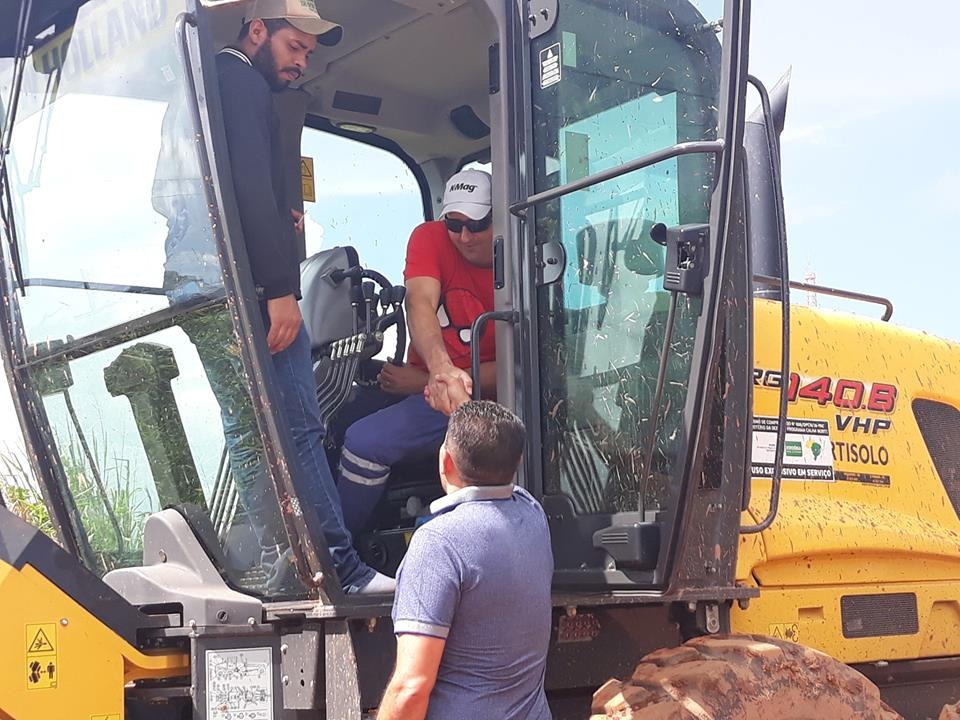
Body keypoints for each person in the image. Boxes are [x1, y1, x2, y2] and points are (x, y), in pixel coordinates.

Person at [154, 0, 391, 594]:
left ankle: (274, 565)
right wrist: (281, 291)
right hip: (247, 288)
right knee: (300, 427)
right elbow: (253, 192)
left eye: (310, 53)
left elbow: (164, 195)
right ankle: (338, 566)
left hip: (193, 284)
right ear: (256, 30)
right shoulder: (240, 82)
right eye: (293, 47)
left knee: (245, 430)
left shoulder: (192, 91)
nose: (302, 61)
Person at [335, 169, 497, 535]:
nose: (465, 236)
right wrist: (440, 372)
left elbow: (517, 367)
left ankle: (337, 556)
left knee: (365, 442)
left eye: (477, 224)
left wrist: (423, 381)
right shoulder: (430, 238)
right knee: (334, 414)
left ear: (500, 215)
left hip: (483, 397)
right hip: (438, 386)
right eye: (454, 225)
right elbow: (420, 302)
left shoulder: (519, 257)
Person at [377, 401, 554, 720]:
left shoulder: (438, 543)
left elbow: (411, 689)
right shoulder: (533, 515)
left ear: (445, 460)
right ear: (517, 462)